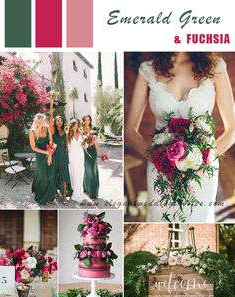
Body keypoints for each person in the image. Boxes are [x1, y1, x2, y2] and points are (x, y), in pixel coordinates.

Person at [125, 52, 235, 222]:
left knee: (199, 221)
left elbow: (232, 129)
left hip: (202, 171)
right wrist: (159, 160)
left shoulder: (215, 66)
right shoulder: (148, 70)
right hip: (161, 170)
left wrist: (204, 161)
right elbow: (130, 130)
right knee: (161, 221)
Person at [29, 113, 56, 205]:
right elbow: (33, 147)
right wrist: (46, 153)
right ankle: (41, 196)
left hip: (49, 153)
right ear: (39, 121)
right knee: (42, 175)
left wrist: (50, 155)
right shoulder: (32, 132)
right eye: (44, 120)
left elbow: (51, 141)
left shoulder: (47, 128)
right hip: (40, 156)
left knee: (51, 175)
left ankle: (49, 197)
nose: (45, 122)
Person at [49, 99, 72, 204]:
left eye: (61, 120)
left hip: (63, 156)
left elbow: (68, 145)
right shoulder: (53, 130)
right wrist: (51, 106)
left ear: (63, 122)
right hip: (54, 155)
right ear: (55, 122)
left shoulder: (66, 131)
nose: (59, 122)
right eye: (57, 120)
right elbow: (50, 118)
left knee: (64, 175)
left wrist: (69, 157)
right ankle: (53, 193)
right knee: (54, 174)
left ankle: (64, 195)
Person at [82, 114, 100, 200]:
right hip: (85, 152)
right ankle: (86, 189)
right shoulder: (81, 130)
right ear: (83, 120)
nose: (87, 121)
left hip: (92, 152)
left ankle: (93, 192)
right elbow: (82, 142)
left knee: (93, 170)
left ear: (90, 120)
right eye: (85, 120)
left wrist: (99, 152)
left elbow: (95, 141)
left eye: (88, 119)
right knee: (86, 169)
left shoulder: (94, 129)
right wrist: (86, 144)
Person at [67, 119, 85, 203]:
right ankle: (75, 193)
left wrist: (87, 143)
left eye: (77, 125)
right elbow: (68, 147)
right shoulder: (68, 134)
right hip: (72, 155)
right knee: (74, 173)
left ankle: (80, 192)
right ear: (71, 126)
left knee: (80, 173)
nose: (75, 126)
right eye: (74, 125)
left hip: (80, 154)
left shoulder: (81, 133)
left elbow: (84, 144)